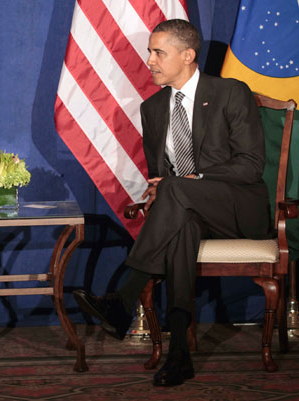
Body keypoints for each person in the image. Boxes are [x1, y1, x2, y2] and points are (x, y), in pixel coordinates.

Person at [73, 19, 270, 387]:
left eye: (158, 52)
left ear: (188, 55)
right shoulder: (153, 108)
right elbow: (160, 175)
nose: (149, 60)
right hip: (186, 211)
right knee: (181, 227)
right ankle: (180, 353)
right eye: (150, 51)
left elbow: (250, 166)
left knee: (178, 192)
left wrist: (189, 182)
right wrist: (162, 189)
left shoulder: (230, 92)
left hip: (238, 210)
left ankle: (123, 297)